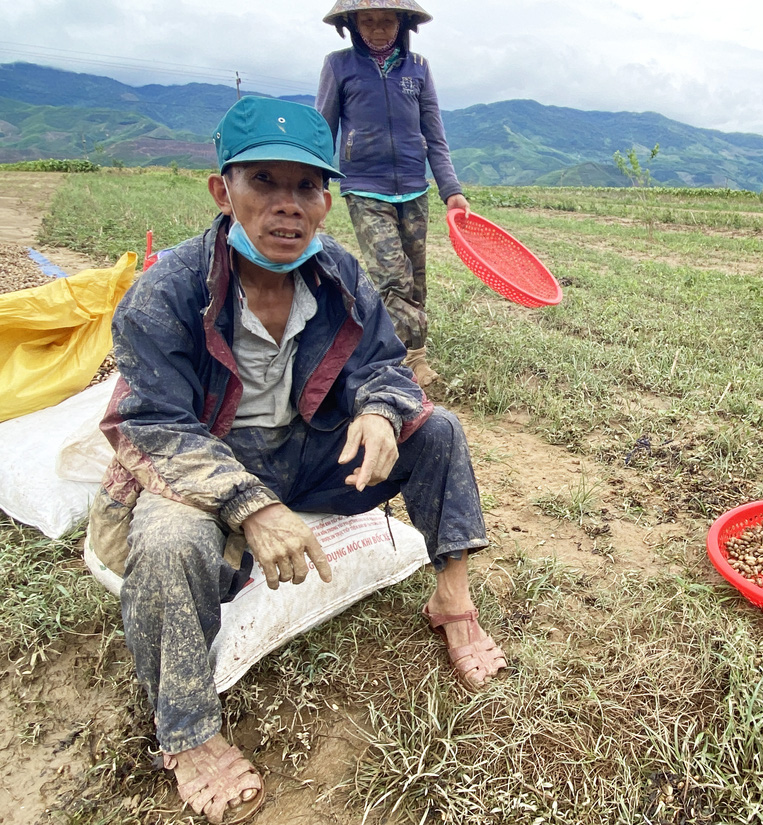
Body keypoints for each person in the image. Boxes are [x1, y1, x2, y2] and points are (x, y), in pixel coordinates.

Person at [87, 96, 505, 825]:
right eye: (264, 184)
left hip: (306, 451)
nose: (287, 208)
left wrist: (378, 409)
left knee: (437, 431)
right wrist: (251, 506)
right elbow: (151, 422)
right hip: (207, 462)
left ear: (327, 201)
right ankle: (186, 732)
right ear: (223, 192)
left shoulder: (336, 273)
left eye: (306, 188)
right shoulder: (169, 290)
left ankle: (453, 602)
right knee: (169, 540)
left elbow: (385, 363)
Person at [316, 0, 467, 387]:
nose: (378, 29)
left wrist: (451, 189)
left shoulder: (417, 68)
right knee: (393, 279)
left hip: (414, 187)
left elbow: (434, 133)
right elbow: (324, 128)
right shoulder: (339, 65)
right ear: (352, 24)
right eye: (368, 21)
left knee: (416, 279)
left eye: (387, 21)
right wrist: (316, 186)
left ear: (402, 24)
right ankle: (395, 355)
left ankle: (413, 357)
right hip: (365, 187)